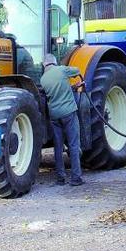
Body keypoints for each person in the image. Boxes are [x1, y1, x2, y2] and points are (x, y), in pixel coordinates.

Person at [40, 53, 84, 186]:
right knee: (73, 145)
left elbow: (55, 93)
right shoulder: (61, 69)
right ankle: (76, 178)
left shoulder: (43, 79)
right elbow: (77, 70)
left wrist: (73, 87)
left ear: (44, 65)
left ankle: (60, 178)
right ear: (54, 62)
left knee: (58, 147)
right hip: (69, 113)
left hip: (55, 116)